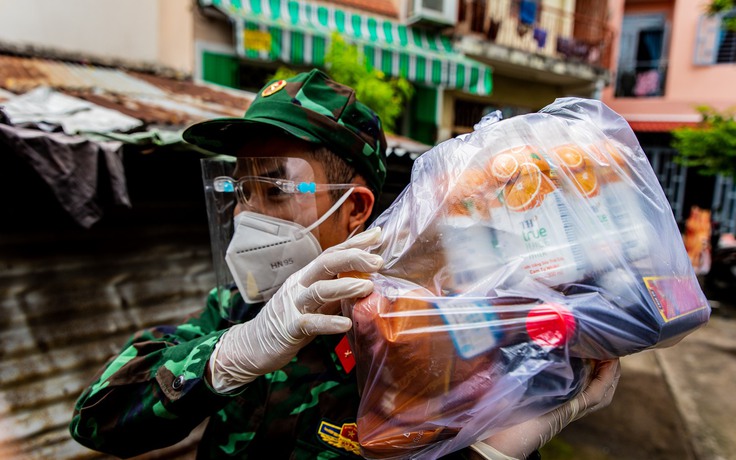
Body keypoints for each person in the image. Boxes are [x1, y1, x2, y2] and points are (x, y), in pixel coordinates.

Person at [69, 69, 619, 459]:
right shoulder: (237, 312)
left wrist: (496, 451)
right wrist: (232, 355)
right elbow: (97, 421)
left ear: (354, 209)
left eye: (277, 187)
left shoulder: (422, 333)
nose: (248, 212)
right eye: (241, 188)